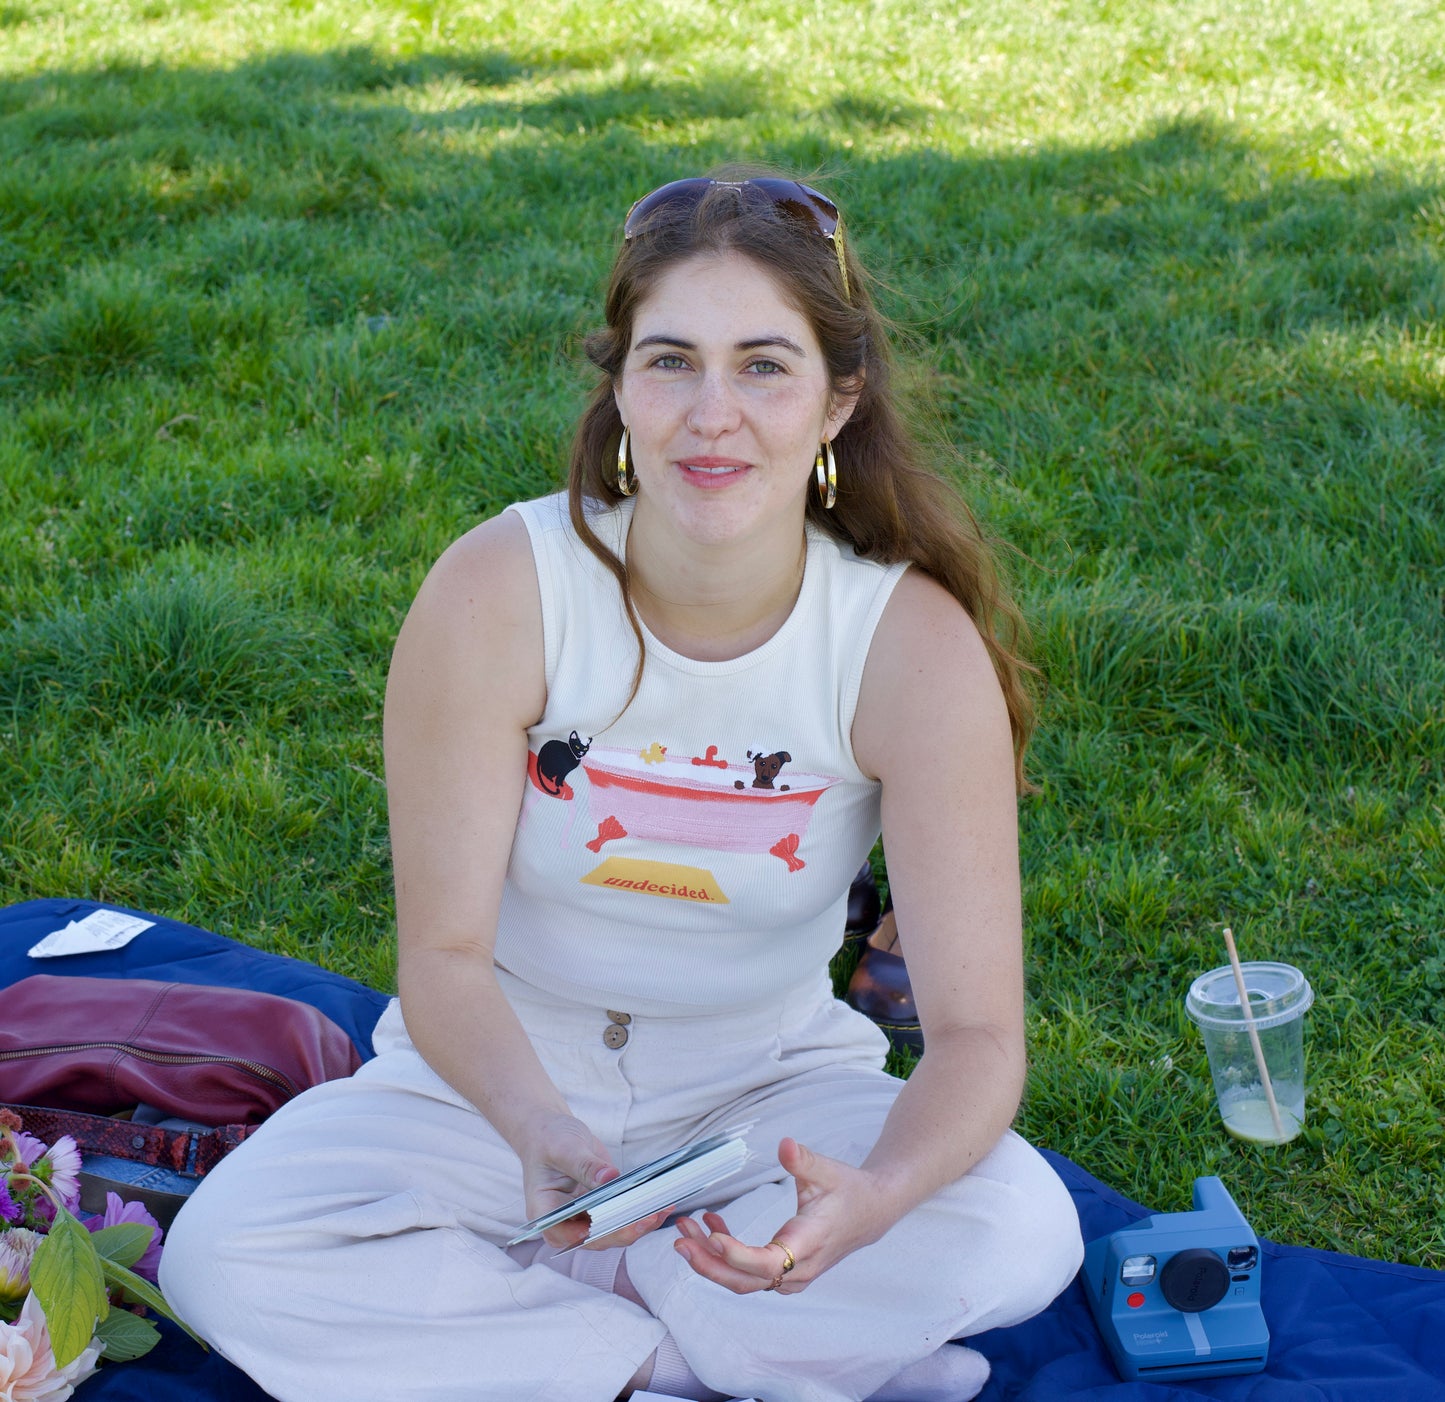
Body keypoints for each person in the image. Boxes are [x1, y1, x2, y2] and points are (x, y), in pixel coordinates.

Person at [159, 171, 1083, 1402]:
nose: (712, 415)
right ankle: (694, 1356)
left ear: (835, 400)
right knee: (228, 1258)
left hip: (767, 1089)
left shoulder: (904, 647)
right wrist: (539, 1129)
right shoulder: (501, 588)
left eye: (762, 365)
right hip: (495, 1083)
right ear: (619, 384)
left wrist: (870, 1200)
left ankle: (565, 1335)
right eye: (670, 363)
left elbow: (973, 1039)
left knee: (1025, 1226)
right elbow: (441, 955)